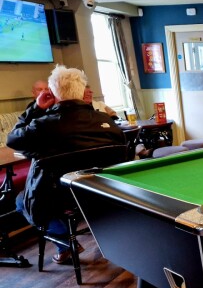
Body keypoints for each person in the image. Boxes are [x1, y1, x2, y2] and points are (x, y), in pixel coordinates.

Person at [7, 65, 126, 264]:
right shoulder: (107, 122)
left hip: (56, 199)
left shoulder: (43, 126)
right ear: (82, 90)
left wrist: (35, 109)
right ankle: (74, 242)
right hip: (100, 194)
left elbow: (12, 139)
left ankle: (65, 244)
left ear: (53, 93)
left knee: (21, 200)